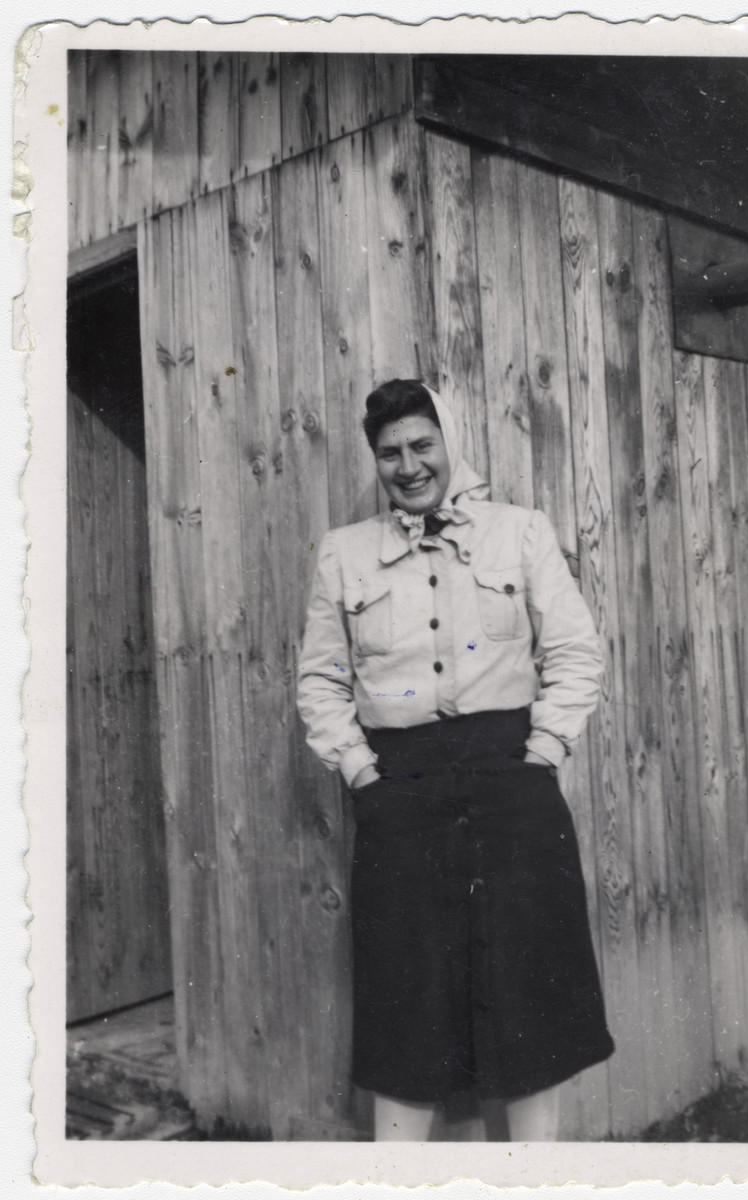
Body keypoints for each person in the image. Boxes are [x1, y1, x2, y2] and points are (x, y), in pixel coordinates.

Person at [297, 379, 614, 1141]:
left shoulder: (520, 533)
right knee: (407, 1016)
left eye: (421, 445)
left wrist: (541, 752)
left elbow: (575, 652)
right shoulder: (344, 555)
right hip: (398, 796)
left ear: (450, 442)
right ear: (374, 460)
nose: (408, 466)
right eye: (389, 453)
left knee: (529, 1006)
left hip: (512, 789)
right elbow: (319, 679)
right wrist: (362, 772)